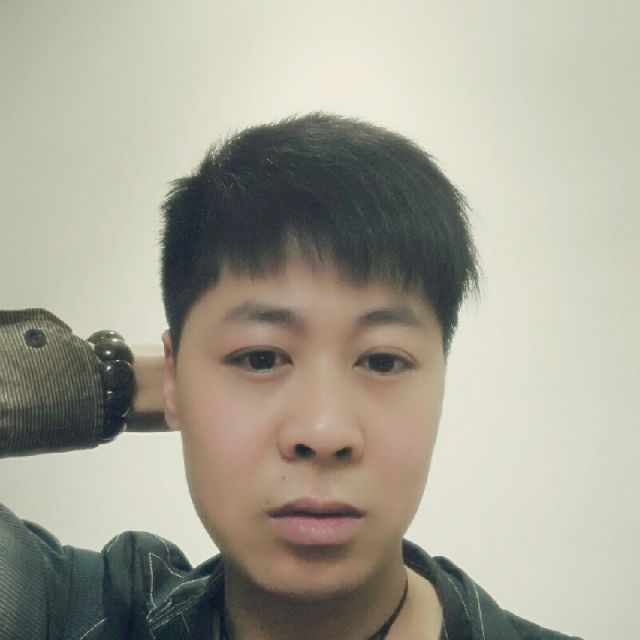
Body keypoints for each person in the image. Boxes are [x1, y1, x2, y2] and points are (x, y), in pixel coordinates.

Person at [0, 113, 583, 639]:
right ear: (171, 378)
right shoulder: (74, 615)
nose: (324, 433)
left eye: (382, 361)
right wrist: (104, 382)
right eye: (260, 358)